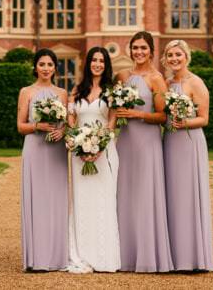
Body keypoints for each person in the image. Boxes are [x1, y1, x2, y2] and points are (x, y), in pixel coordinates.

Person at [113, 31, 173, 273]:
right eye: (135, 48)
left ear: (151, 51)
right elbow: (114, 110)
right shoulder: (122, 76)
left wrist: (137, 114)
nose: (138, 52)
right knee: (124, 193)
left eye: (143, 48)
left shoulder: (157, 79)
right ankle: (123, 256)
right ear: (130, 50)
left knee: (146, 195)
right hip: (125, 141)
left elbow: (162, 116)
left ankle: (148, 255)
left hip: (147, 142)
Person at [162, 39, 213, 271]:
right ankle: (174, 255)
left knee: (188, 195)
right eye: (170, 55)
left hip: (188, 141)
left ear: (186, 57)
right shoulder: (165, 83)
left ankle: (193, 257)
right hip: (169, 142)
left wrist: (184, 122)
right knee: (172, 196)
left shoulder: (196, 82)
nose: (174, 59)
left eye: (178, 55)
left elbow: (203, 119)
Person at [65, 46, 121, 273]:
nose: (97, 64)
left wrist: (99, 147)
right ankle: (82, 253)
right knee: (81, 201)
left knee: (104, 201)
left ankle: (104, 256)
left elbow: (111, 124)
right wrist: (78, 144)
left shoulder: (112, 91)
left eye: (101, 60)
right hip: (79, 154)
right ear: (87, 63)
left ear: (106, 65)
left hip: (104, 152)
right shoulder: (77, 90)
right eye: (94, 60)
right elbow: (71, 121)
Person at [16, 48, 69, 271]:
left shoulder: (62, 93)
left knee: (56, 201)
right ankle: (37, 258)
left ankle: (57, 258)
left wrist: (62, 131)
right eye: (42, 64)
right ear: (35, 67)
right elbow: (20, 126)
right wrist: (38, 126)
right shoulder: (26, 91)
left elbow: (67, 123)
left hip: (55, 150)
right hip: (35, 149)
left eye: (49, 64)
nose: (46, 68)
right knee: (37, 200)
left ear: (55, 67)